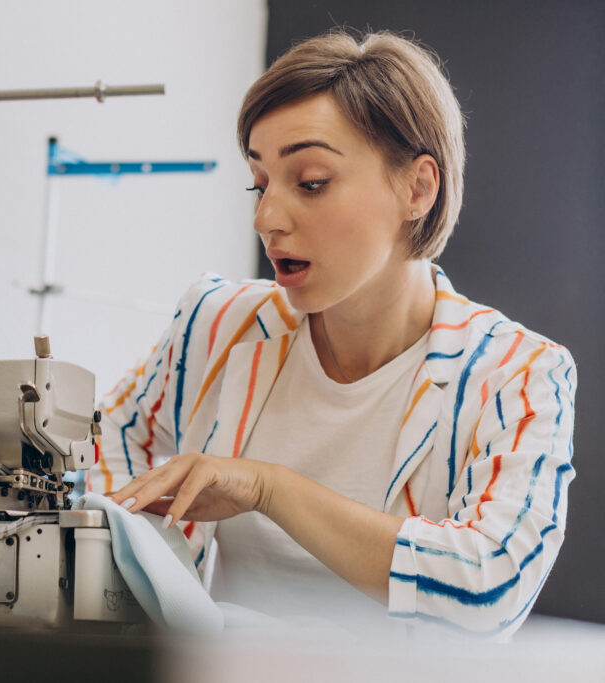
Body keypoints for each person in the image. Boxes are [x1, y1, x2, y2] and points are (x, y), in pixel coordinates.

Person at [85, 29, 576, 637]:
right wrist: (155, 571)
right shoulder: (215, 323)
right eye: (259, 184)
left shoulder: (519, 373)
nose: (266, 218)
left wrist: (268, 487)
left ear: (418, 188)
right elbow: (98, 444)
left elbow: (491, 586)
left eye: (310, 181)